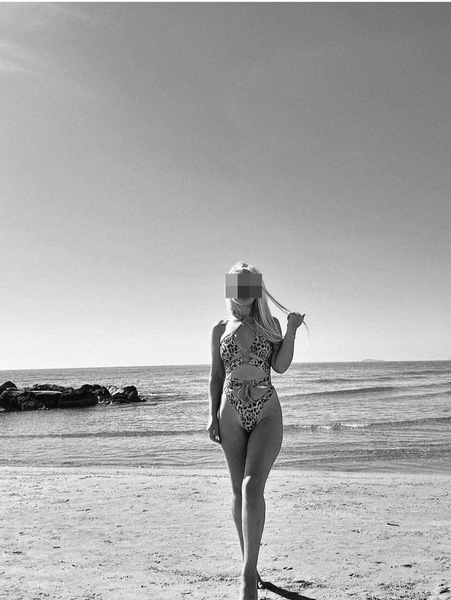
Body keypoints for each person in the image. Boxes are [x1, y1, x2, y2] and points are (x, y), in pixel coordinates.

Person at [208, 261, 306, 600]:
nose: (241, 291)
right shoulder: (219, 328)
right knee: (238, 492)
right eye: (236, 284)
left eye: (247, 285)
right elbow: (216, 376)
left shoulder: (270, 323)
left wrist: (291, 330)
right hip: (230, 412)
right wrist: (211, 416)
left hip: (266, 410)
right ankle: (250, 564)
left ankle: (247, 577)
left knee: (252, 487)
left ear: (256, 290)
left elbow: (280, 366)